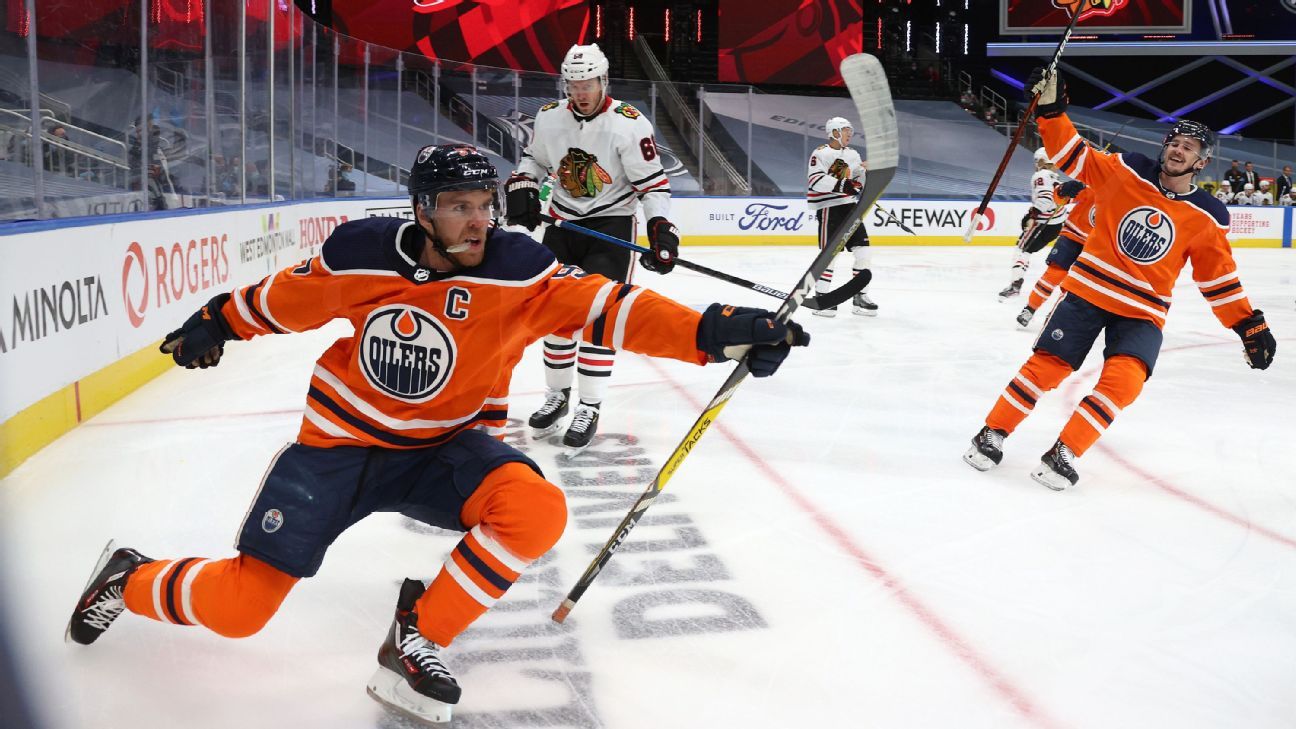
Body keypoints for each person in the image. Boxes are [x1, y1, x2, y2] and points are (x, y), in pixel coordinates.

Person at [64, 144, 808, 724]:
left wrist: (717, 331)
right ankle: (128, 576)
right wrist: (219, 320)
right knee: (240, 610)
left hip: (443, 448)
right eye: (459, 206)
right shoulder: (361, 253)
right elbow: (286, 299)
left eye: (485, 203)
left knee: (535, 506)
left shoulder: (519, 271)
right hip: (339, 449)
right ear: (422, 211)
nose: (480, 220)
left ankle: (416, 633)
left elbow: (610, 309)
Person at [964, 68, 1275, 491]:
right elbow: (1072, 155)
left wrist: (1247, 324)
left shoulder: (1208, 216)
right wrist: (1052, 110)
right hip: (1089, 293)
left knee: (1126, 380)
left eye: (1190, 147)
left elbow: (1219, 280)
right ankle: (993, 432)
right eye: (1175, 143)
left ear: (1202, 162)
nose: (1179, 150)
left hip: (1143, 311)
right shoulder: (1126, 169)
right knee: (1046, 367)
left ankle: (1064, 452)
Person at [504, 42, 681, 449]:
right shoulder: (549, 118)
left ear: (603, 81)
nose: (580, 92)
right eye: (573, 84)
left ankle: (590, 404)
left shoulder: (629, 123)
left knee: (597, 318)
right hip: (564, 223)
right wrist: (524, 184)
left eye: (587, 83)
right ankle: (558, 396)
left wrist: (661, 227)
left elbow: (652, 184)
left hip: (611, 225)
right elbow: (534, 160)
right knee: (555, 315)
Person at [806, 116, 876, 317]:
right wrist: (845, 184)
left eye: (850, 131)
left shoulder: (853, 154)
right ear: (834, 132)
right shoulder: (821, 153)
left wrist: (864, 175)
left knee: (864, 251)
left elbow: (855, 180)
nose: (849, 134)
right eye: (846, 130)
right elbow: (816, 181)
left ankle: (859, 297)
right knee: (830, 254)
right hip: (829, 208)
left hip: (849, 208)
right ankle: (823, 298)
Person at [998, 147, 1079, 302]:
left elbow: (1045, 198)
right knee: (1027, 252)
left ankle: (1015, 286)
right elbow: (1064, 199)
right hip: (1057, 224)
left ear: (1042, 160)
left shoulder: (1040, 175)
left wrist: (1032, 215)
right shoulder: (1055, 177)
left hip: (1042, 222)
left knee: (1022, 251)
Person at [1015, 180, 1093, 328]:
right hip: (1071, 236)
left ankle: (1055, 316)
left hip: (1095, 245)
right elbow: (1059, 199)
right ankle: (1030, 309)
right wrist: (1062, 190)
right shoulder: (1094, 183)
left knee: (1076, 285)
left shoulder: (1125, 195)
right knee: (1053, 274)